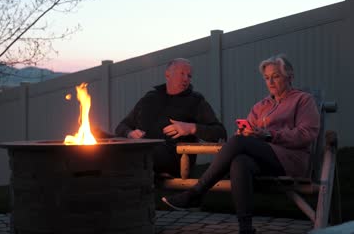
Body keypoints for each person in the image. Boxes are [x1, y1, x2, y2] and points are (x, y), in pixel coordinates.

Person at [162, 54, 320, 234]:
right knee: (240, 162)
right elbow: (248, 134)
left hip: (290, 160)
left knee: (238, 143)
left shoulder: (303, 100)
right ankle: (245, 229)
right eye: (267, 78)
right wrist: (246, 134)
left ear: (289, 77)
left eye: (275, 76)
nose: (270, 82)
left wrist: (268, 135)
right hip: (265, 160)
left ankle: (196, 193)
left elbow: (307, 134)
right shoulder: (261, 106)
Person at [115, 58, 227, 178]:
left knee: (134, 155)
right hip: (141, 151)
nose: (186, 79)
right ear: (167, 74)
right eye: (182, 73)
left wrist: (191, 128)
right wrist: (130, 133)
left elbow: (220, 133)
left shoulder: (195, 101)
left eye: (189, 76)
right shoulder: (150, 98)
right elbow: (121, 126)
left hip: (171, 158)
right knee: (98, 136)